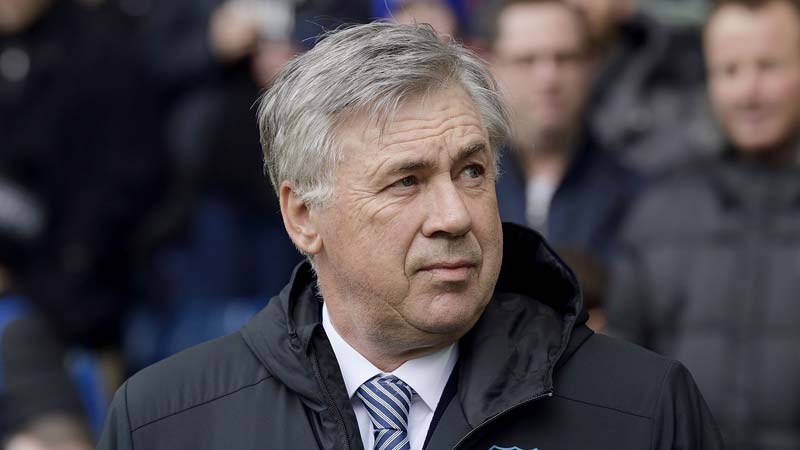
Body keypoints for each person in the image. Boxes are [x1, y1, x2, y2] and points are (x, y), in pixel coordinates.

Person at [98, 22, 722, 450]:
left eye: (472, 171)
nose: (454, 216)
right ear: (303, 217)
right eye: (406, 181)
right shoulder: (164, 421)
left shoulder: (642, 409)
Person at [605, 0, 800, 448]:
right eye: (729, 70)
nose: (749, 92)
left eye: (768, 67)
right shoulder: (658, 213)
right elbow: (625, 392)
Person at [490, 0, 643, 328]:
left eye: (565, 58)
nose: (548, 78)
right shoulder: (466, 190)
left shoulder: (640, 195)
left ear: (592, 65)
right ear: (492, 66)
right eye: (527, 60)